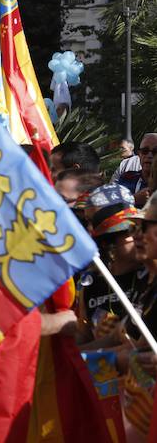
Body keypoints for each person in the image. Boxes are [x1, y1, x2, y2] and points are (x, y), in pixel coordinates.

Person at [77, 184, 147, 344]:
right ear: (108, 243)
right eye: (129, 232)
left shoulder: (151, 275)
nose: (138, 236)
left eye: (140, 228)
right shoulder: (90, 283)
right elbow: (83, 335)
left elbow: (138, 348)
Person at [117, 132, 157, 208]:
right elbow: (111, 206)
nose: (149, 155)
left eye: (155, 152)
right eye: (145, 151)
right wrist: (134, 199)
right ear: (139, 154)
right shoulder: (127, 178)